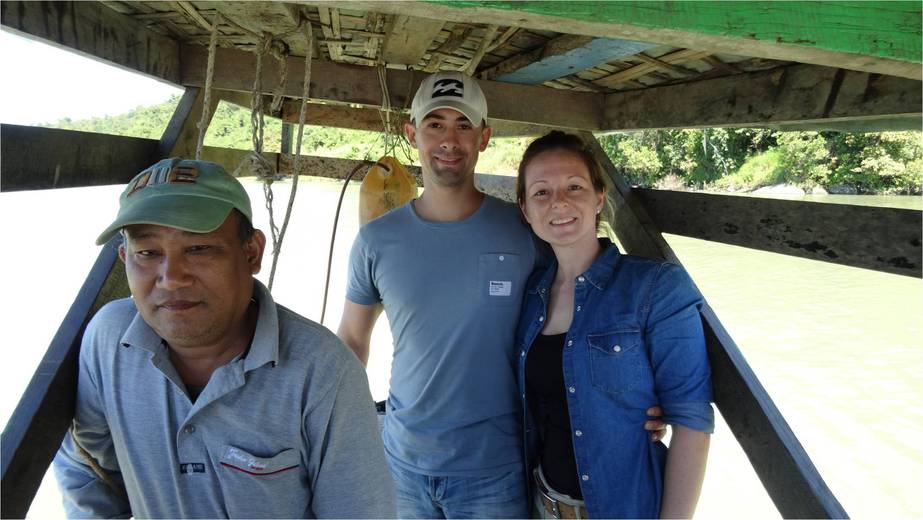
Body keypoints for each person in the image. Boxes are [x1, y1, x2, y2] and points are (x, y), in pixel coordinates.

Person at [338, 72, 666, 519]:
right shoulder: (375, 241)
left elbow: (586, 302)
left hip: (497, 468)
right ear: (411, 133)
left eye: (463, 125)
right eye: (435, 124)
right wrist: (331, 423)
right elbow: (352, 341)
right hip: (402, 463)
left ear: (485, 136)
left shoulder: (525, 228)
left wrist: (634, 391)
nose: (449, 140)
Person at [53, 158, 396, 519]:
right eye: (148, 253)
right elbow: (86, 469)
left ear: (251, 252)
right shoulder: (107, 341)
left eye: (198, 248)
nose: (171, 278)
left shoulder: (324, 371)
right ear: (125, 258)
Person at [515, 131, 715, 519]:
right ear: (524, 209)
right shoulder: (530, 297)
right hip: (543, 506)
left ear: (599, 198)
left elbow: (692, 420)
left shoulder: (655, 287)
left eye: (575, 186)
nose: (559, 202)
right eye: (541, 192)